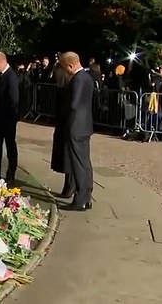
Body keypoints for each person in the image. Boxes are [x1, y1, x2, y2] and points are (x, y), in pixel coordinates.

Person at [58, 52, 94, 211]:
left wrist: (64, 110)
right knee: (85, 162)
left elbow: (74, 104)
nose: (65, 71)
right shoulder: (87, 77)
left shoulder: (78, 79)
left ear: (70, 65)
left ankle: (80, 199)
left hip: (76, 126)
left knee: (78, 164)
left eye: (65, 68)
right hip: (85, 124)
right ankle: (86, 197)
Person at [0, 51, 19, 185]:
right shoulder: (1, 76)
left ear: (2, 61)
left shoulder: (11, 76)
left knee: (10, 146)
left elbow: (13, 99)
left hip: (8, 118)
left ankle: (11, 174)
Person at [50, 67, 74, 197]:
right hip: (62, 122)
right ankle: (68, 186)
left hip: (66, 123)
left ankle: (70, 186)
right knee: (66, 156)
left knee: (68, 156)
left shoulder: (67, 87)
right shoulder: (65, 86)